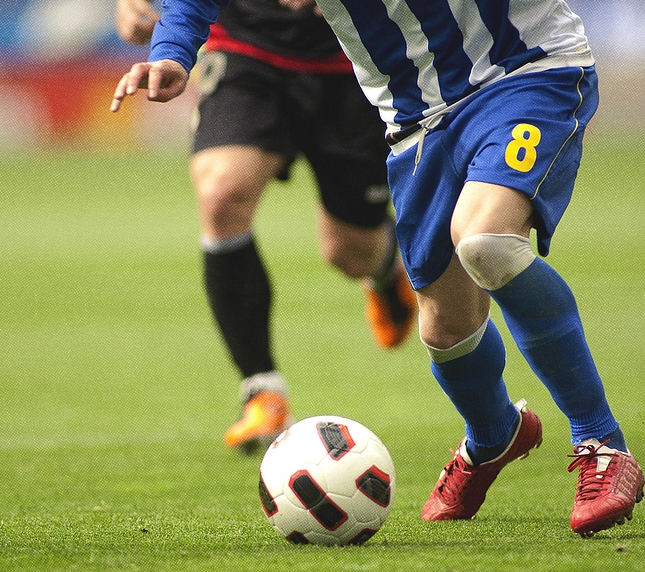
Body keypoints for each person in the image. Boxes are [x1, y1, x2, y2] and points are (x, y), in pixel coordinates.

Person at [111, 0, 645, 536]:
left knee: (485, 240)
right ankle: (493, 435)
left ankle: (602, 444)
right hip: (415, 121)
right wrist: (173, 51)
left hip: (524, 71)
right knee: (444, 328)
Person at [112, 0, 417, 454]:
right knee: (220, 193)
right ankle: (262, 391)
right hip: (244, 46)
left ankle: (384, 264)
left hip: (355, 56)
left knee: (348, 252)